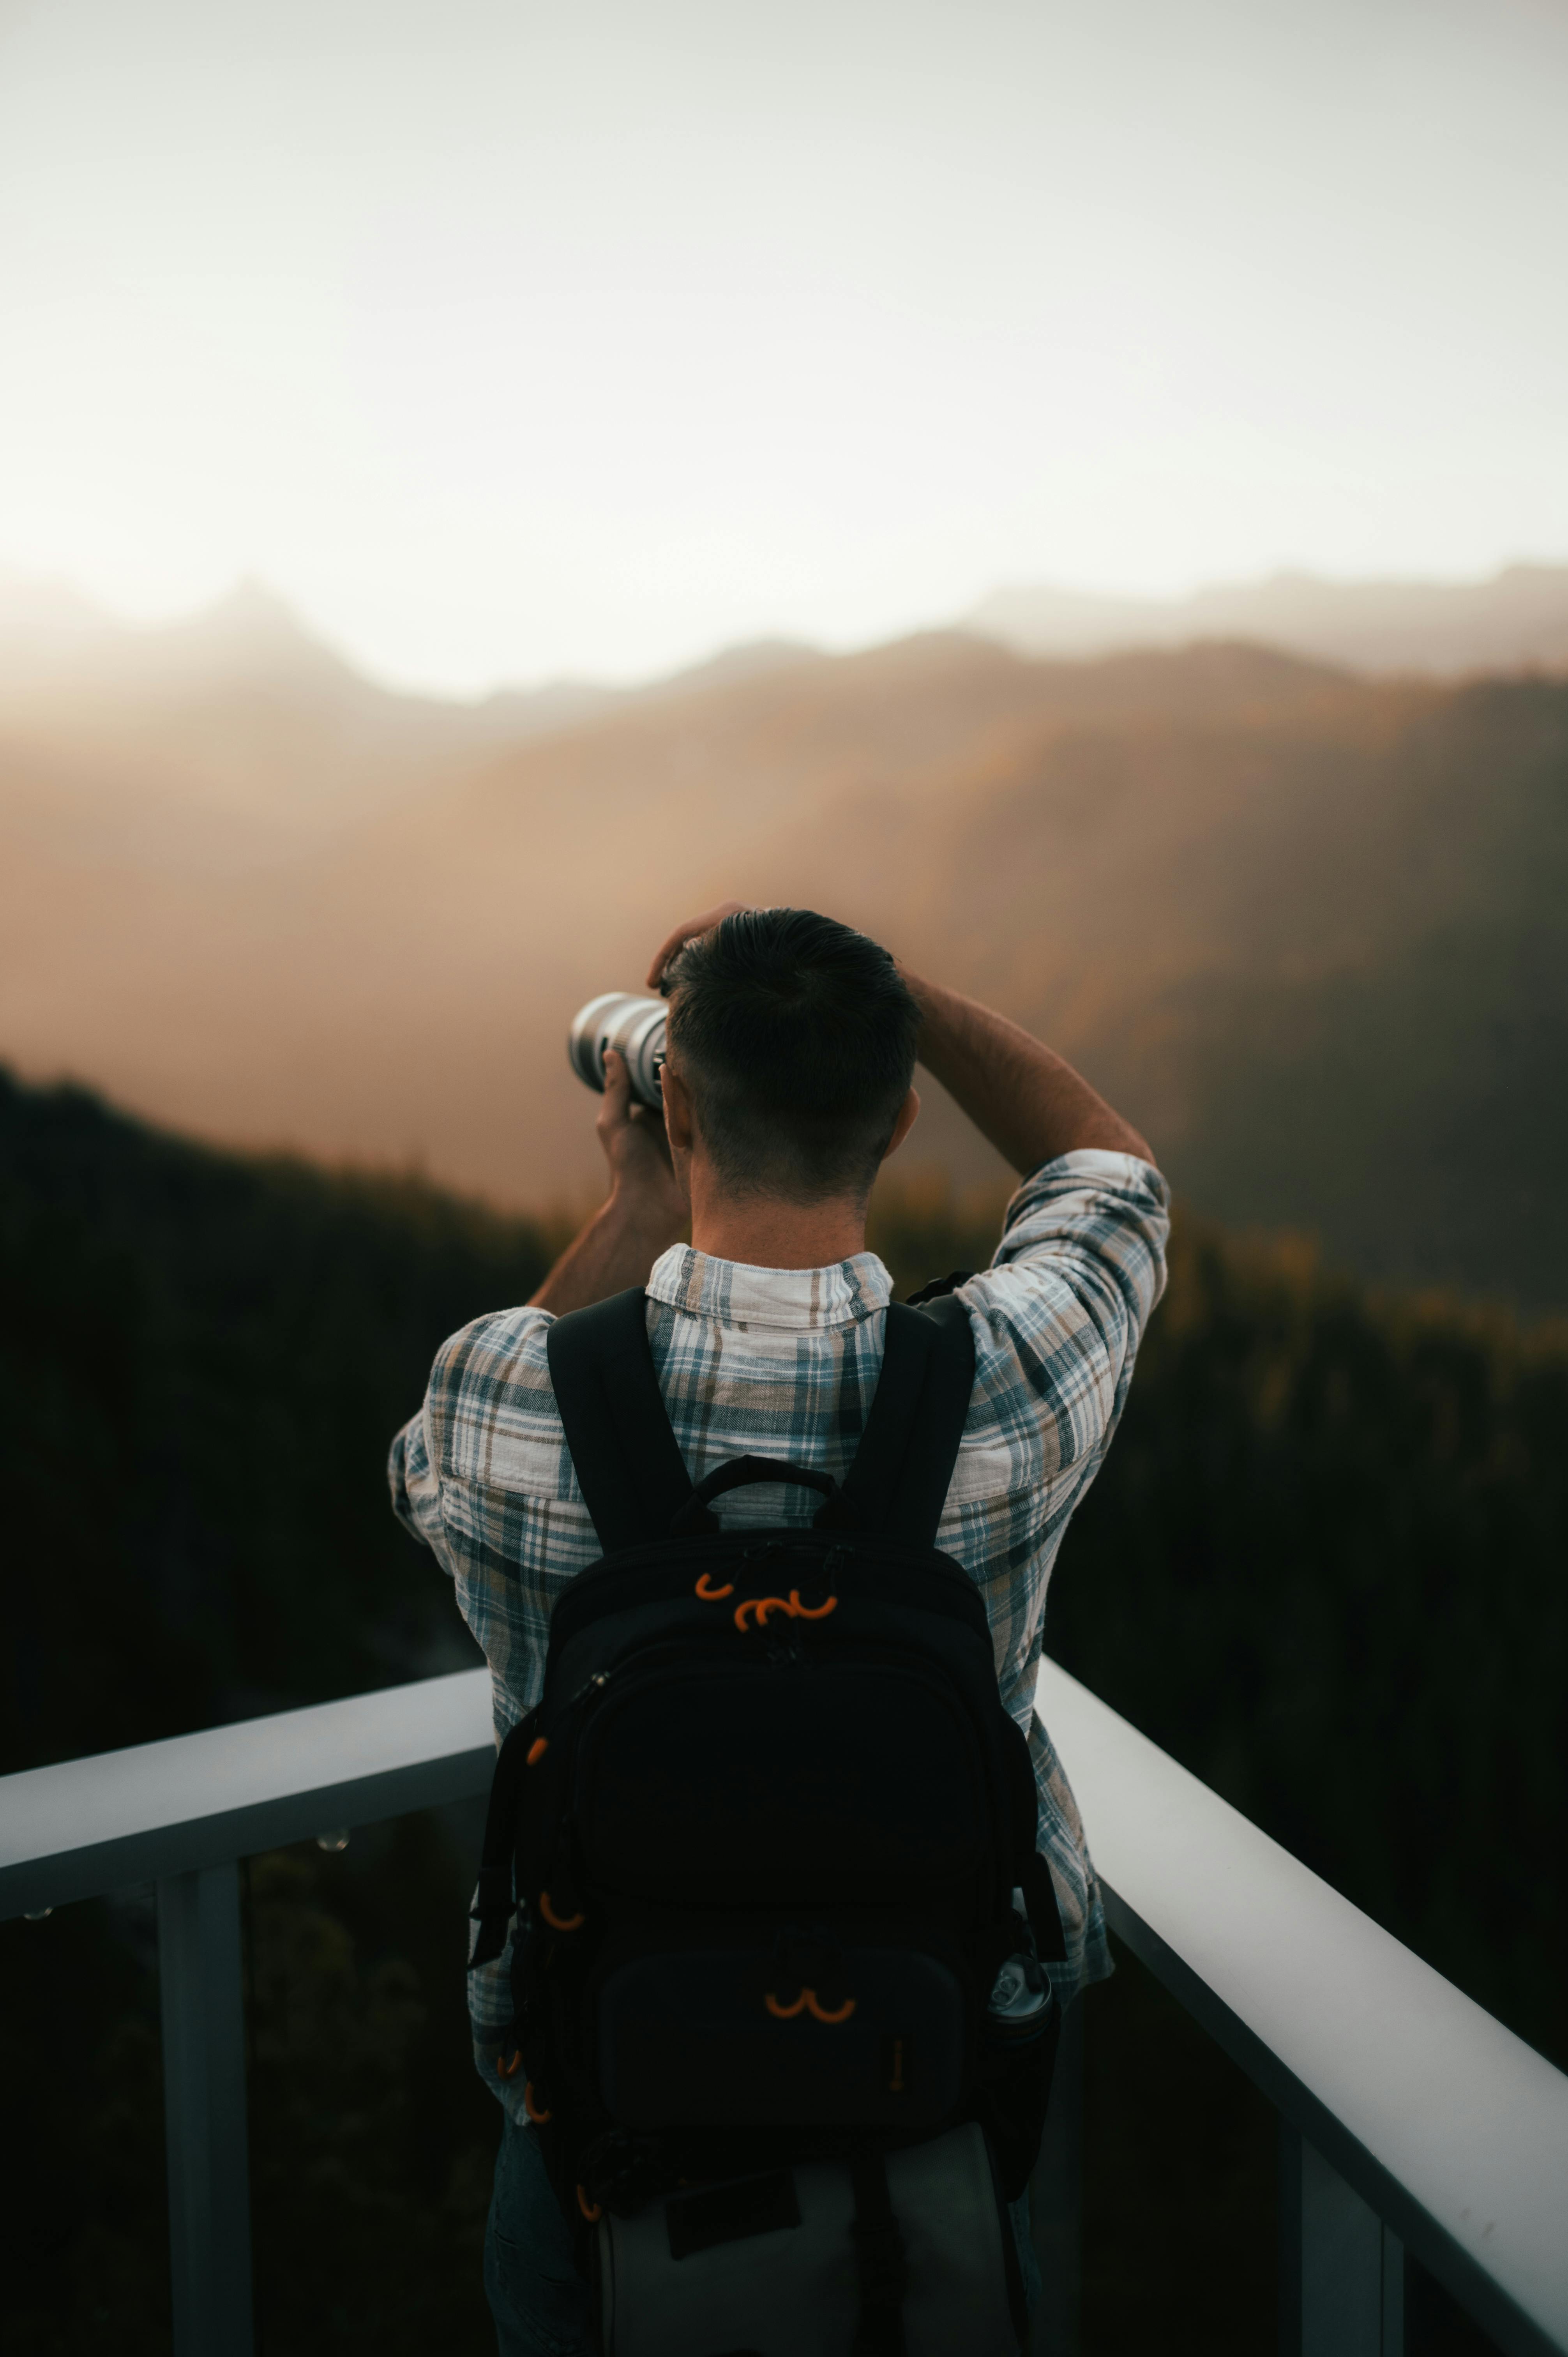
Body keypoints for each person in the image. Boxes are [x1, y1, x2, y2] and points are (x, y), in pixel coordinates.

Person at [388, 901, 1169, 2357]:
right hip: (927, 2130)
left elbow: (421, 1478)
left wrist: (630, 1207)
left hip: (602, 2159)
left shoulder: (498, 1396)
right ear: (900, 1118)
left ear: (672, 1096)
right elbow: (1113, 1172)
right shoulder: (1012, 1382)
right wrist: (891, 992)